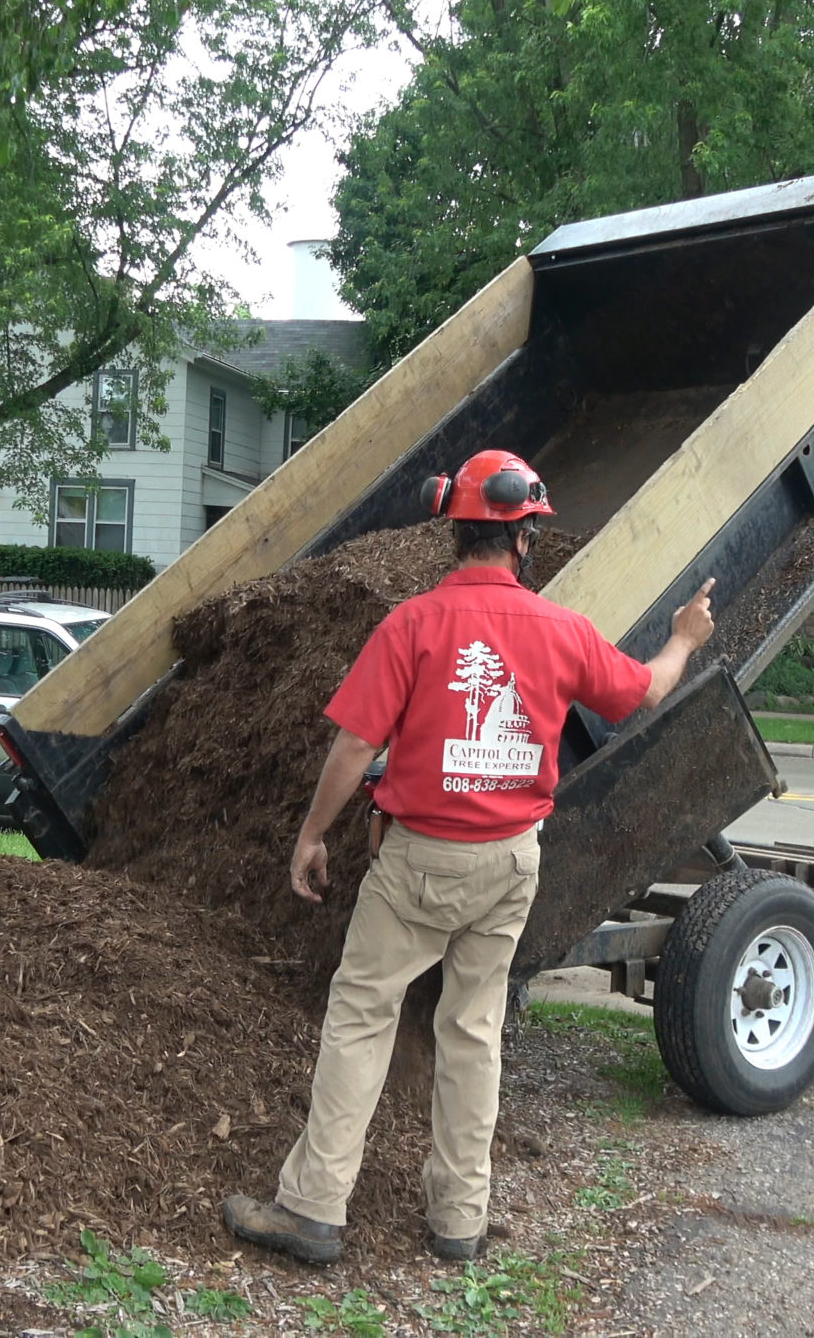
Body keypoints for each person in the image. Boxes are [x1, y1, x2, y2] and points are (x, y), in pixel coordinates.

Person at [223, 450, 716, 1265]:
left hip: (419, 861)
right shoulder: (560, 629)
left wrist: (312, 834)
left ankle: (314, 1207)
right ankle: (458, 1219)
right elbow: (646, 693)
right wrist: (684, 638)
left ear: (456, 531)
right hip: (510, 863)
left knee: (361, 1014)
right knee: (473, 1031)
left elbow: (355, 746)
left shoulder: (413, 624)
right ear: (522, 538)